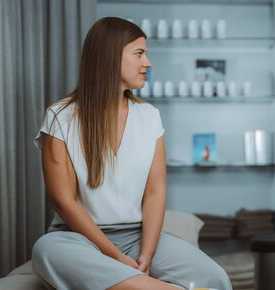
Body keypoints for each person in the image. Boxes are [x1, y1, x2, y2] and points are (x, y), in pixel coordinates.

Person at [32, 17, 232, 290]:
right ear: (109, 57)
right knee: (46, 251)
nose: (147, 63)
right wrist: (113, 256)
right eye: (139, 54)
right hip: (76, 237)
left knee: (214, 277)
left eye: (146, 54)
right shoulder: (61, 117)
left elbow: (155, 193)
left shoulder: (149, 117)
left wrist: (146, 255)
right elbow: (62, 201)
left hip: (137, 236)